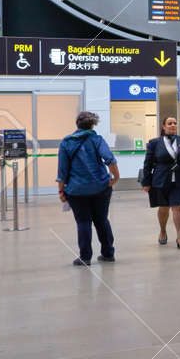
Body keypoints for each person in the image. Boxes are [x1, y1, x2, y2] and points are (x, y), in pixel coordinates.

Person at [56, 110, 118, 267]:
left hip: (76, 190)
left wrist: (61, 191)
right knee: (102, 220)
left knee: (83, 222)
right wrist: (115, 177)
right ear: (92, 125)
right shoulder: (97, 139)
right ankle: (108, 253)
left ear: (77, 124)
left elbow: (62, 170)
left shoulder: (66, 142)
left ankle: (85, 257)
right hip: (101, 188)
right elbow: (109, 158)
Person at [141, 116, 180, 250]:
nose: (172, 125)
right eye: (169, 123)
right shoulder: (154, 143)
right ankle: (163, 231)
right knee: (164, 208)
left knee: (178, 207)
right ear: (164, 126)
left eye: (175, 123)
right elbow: (147, 164)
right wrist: (146, 181)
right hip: (160, 180)